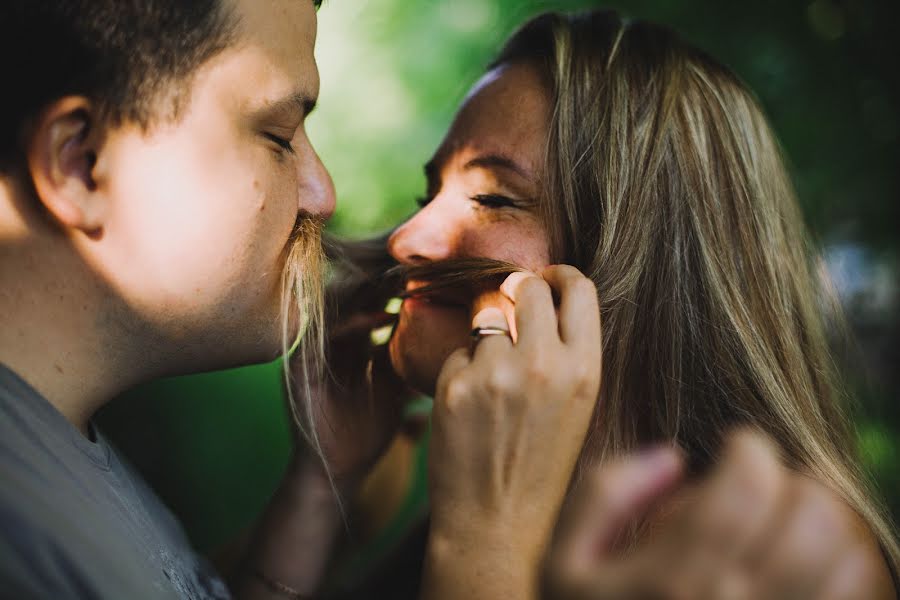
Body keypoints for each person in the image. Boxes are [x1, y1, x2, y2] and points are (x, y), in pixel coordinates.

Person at [0, 1, 604, 599]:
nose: (323, 194)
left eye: (495, 199)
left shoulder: (63, 460)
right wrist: (486, 552)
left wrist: (319, 490)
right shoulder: (22, 542)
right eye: (280, 136)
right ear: (81, 165)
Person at [303, 9, 900, 599]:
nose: (407, 237)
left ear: (651, 260)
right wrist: (321, 486)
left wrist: (481, 547)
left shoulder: (778, 562)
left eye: (493, 197)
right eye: (428, 193)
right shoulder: (491, 497)